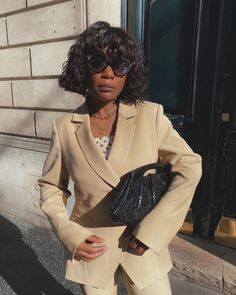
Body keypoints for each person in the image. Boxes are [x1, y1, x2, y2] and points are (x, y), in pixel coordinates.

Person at [38, 21, 202, 295]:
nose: (108, 73)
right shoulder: (65, 127)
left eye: (120, 64)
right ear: (82, 67)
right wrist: (70, 235)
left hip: (143, 245)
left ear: (130, 73)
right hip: (93, 246)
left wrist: (155, 230)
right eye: (97, 62)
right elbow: (51, 187)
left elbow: (190, 167)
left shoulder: (150, 116)